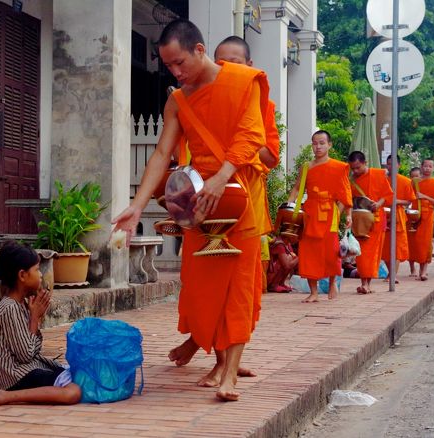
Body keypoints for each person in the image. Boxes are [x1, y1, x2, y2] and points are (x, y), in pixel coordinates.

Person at [111, 19, 272, 401]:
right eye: (169, 66)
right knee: (203, 290)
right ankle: (209, 353)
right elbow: (162, 153)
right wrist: (136, 205)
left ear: (200, 50)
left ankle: (229, 374)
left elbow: (253, 134)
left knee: (237, 291)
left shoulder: (244, 81)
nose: (176, 73)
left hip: (239, 200)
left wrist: (224, 176)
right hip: (200, 206)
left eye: (180, 63)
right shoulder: (177, 101)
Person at [167, 35, 280, 377]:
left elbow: (269, 154)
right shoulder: (190, 97)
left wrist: (239, 144)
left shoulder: (259, 101)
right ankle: (208, 347)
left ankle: (226, 363)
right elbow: (176, 151)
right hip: (205, 199)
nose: (227, 68)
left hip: (243, 198)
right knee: (203, 280)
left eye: (235, 62)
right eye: (222, 61)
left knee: (239, 284)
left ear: (247, 67)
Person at [0, 242, 82, 408]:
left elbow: (31, 351)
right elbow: (26, 355)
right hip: (12, 376)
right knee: (73, 392)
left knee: (77, 374)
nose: (41, 275)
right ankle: (6, 397)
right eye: (37, 269)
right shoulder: (9, 308)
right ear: (22, 275)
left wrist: (35, 316)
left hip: (26, 368)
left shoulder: (22, 304)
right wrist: (34, 318)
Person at [287, 130, 353, 303]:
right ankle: (314, 292)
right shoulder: (306, 167)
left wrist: (348, 215)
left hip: (330, 212)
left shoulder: (339, 167)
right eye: (315, 143)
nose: (318, 147)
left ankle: (332, 283)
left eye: (322, 143)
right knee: (309, 251)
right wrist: (290, 206)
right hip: (310, 212)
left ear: (329, 145)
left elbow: (345, 193)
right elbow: (296, 188)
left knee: (331, 251)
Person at [348, 151, 393, 294]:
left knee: (372, 253)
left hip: (376, 219)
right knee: (361, 254)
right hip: (360, 222)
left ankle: (367, 284)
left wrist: (378, 204)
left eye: (358, 167)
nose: (355, 171)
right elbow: (349, 199)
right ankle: (364, 283)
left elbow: (388, 195)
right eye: (353, 168)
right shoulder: (352, 180)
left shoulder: (378, 175)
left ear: (365, 163)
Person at [408, 159, 434, 281]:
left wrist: (425, 196)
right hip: (414, 215)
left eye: (430, 166)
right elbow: (408, 197)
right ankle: (417, 268)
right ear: (421, 167)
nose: (427, 168)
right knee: (415, 243)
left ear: (433, 168)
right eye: (425, 166)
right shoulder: (414, 182)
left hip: (428, 215)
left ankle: (424, 271)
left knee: (425, 243)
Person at [381, 154, 417, 281]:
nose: (391, 166)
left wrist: (395, 201)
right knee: (384, 246)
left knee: (396, 246)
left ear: (399, 165)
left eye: (394, 163)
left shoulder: (405, 181)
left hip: (398, 215)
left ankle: (393, 275)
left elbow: (409, 201)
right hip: (383, 214)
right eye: (389, 163)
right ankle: (390, 273)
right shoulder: (382, 179)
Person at [407, 166, 422, 277]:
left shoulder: (424, 189)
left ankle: (422, 269)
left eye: (417, 176)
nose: (414, 179)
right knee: (410, 246)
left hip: (422, 220)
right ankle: (412, 269)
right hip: (408, 219)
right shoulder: (407, 188)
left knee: (421, 245)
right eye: (412, 177)